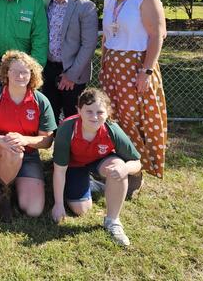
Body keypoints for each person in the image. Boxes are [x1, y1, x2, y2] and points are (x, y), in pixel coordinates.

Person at [99, 0, 167, 192]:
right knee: (113, 119)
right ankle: (116, 166)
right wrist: (104, 64)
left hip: (136, 66)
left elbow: (158, 34)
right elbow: (108, 35)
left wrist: (146, 71)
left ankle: (135, 174)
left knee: (134, 120)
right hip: (113, 67)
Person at [51, 88, 141, 246]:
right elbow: (59, 170)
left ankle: (113, 221)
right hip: (74, 165)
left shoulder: (112, 129)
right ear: (79, 110)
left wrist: (124, 169)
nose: (94, 117)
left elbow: (137, 162)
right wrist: (58, 205)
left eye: (100, 112)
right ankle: (93, 184)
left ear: (108, 112)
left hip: (99, 162)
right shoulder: (67, 129)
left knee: (118, 165)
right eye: (89, 111)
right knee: (80, 209)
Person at [0, 50, 56, 221]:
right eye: (15, 71)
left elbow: (47, 140)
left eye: (25, 72)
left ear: (32, 74)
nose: (20, 76)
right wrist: (3, 140)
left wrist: (25, 139)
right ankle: (3, 196)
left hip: (29, 156)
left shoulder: (40, 100)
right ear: (6, 73)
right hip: (1, 152)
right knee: (13, 151)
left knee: (33, 209)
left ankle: (13, 182)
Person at [41, 0, 98, 123]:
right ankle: (54, 146)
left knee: (72, 117)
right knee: (49, 114)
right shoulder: (46, 0)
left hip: (73, 72)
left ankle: (72, 147)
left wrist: (71, 75)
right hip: (49, 68)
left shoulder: (86, 7)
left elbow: (89, 45)